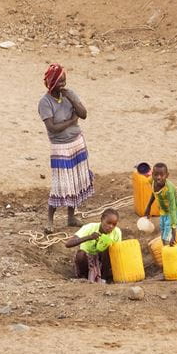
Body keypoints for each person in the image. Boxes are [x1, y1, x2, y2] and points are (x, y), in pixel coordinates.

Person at [38, 63, 94, 233]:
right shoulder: (45, 102)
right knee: (60, 184)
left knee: (76, 181)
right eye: (60, 82)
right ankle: (50, 220)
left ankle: (71, 217)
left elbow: (83, 114)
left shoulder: (70, 94)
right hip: (60, 147)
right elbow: (53, 128)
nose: (63, 85)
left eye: (64, 81)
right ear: (52, 83)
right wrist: (71, 121)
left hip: (76, 142)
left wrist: (72, 98)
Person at [65, 208, 121, 283]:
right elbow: (68, 244)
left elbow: (117, 252)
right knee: (80, 254)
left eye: (114, 224)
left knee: (109, 249)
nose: (111, 226)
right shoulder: (89, 227)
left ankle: (103, 278)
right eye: (108, 223)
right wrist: (89, 237)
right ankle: (83, 277)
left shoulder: (117, 232)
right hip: (87, 259)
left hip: (103, 262)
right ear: (101, 220)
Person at [144, 163, 177, 244]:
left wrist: (173, 235)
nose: (158, 177)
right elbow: (154, 192)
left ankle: (175, 231)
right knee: (163, 233)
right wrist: (148, 206)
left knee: (166, 239)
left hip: (174, 212)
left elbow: (173, 209)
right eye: (156, 175)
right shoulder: (152, 181)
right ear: (152, 174)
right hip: (163, 211)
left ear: (167, 175)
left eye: (162, 175)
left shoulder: (169, 190)